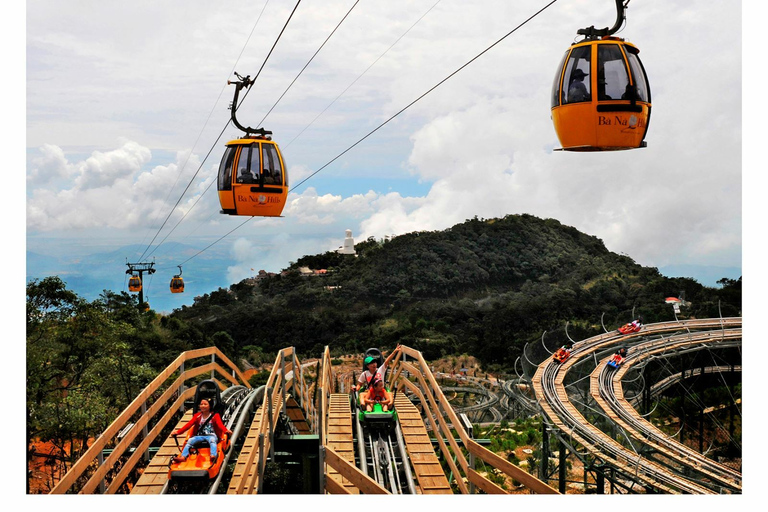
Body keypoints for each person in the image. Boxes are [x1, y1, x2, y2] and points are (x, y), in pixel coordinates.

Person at [172, 398, 232, 464]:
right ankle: (183, 457)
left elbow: (220, 425)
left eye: (205, 404)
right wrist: (178, 432)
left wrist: (226, 430)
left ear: (210, 406)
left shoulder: (215, 416)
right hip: (200, 435)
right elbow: (188, 425)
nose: (203, 406)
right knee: (190, 441)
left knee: (212, 440)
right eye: (201, 404)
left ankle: (213, 455)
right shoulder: (197, 416)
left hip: (211, 435)